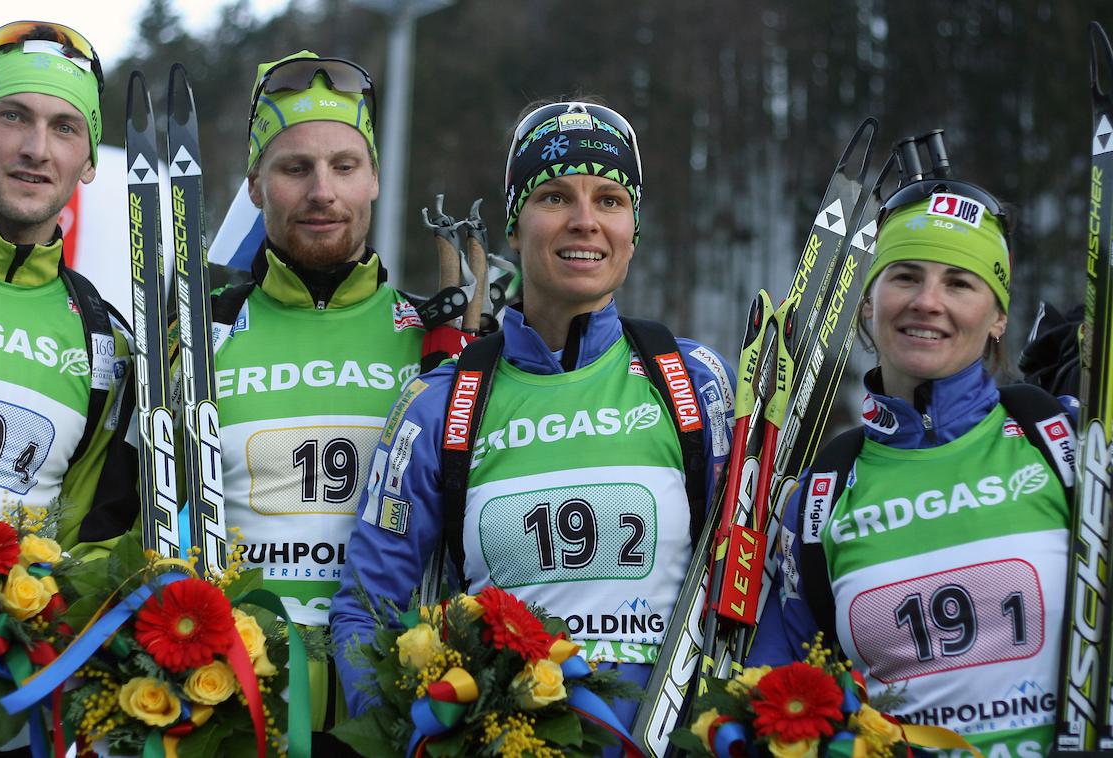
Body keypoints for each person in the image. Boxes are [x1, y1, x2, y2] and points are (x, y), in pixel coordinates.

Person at [330, 100, 738, 743]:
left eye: (609, 200)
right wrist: (412, 737)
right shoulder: (440, 402)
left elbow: (748, 582)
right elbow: (366, 608)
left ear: (634, 228)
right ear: (514, 227)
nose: (584, 222)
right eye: (554, 197)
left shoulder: (692, 381)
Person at [749, 156, 1074, 758]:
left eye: (959, 283)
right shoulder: (823, 492)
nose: (928, 301)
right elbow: (784, 686)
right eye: (905, 276)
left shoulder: (1061, 440)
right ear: (868, 302)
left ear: (999, 315)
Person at [0, 20, 136, 752]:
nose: (39, 149)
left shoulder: (105, 341)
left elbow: (94, 541)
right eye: (14, 116)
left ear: (89, 160)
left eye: (66, 127)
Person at [208, 51, 424, 743]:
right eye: (295, 167)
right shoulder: (195, 332)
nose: (322, 191)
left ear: (375, 181)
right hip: (238, 707)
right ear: (255, 186)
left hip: (391, 707)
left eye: (344, 166)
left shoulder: (436, 341)